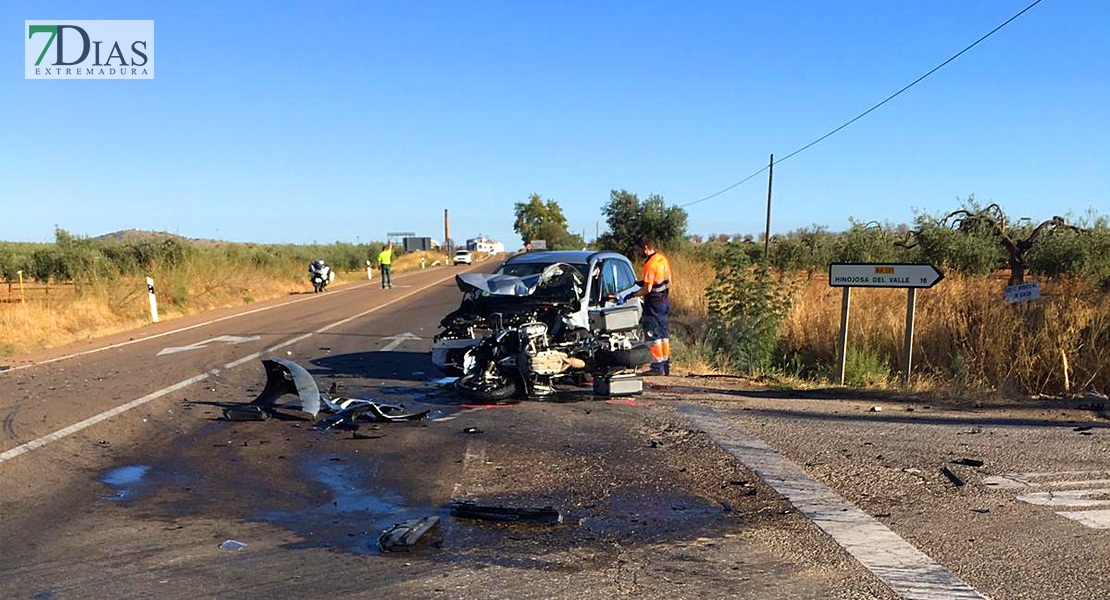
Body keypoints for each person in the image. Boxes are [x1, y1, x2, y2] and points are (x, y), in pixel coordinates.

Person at [624, 235, 672, 375]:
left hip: (653, 304)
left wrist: (632, 295)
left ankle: (657, 368)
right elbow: (668, 280)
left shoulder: (650, 264)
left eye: (638, 250)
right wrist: (642, 282)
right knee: (663, 335)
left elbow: (647, 290)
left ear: (645, 248)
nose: (638, 253)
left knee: (652, 334)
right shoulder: (662, 259)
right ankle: (665, 365)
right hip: (664, 302)